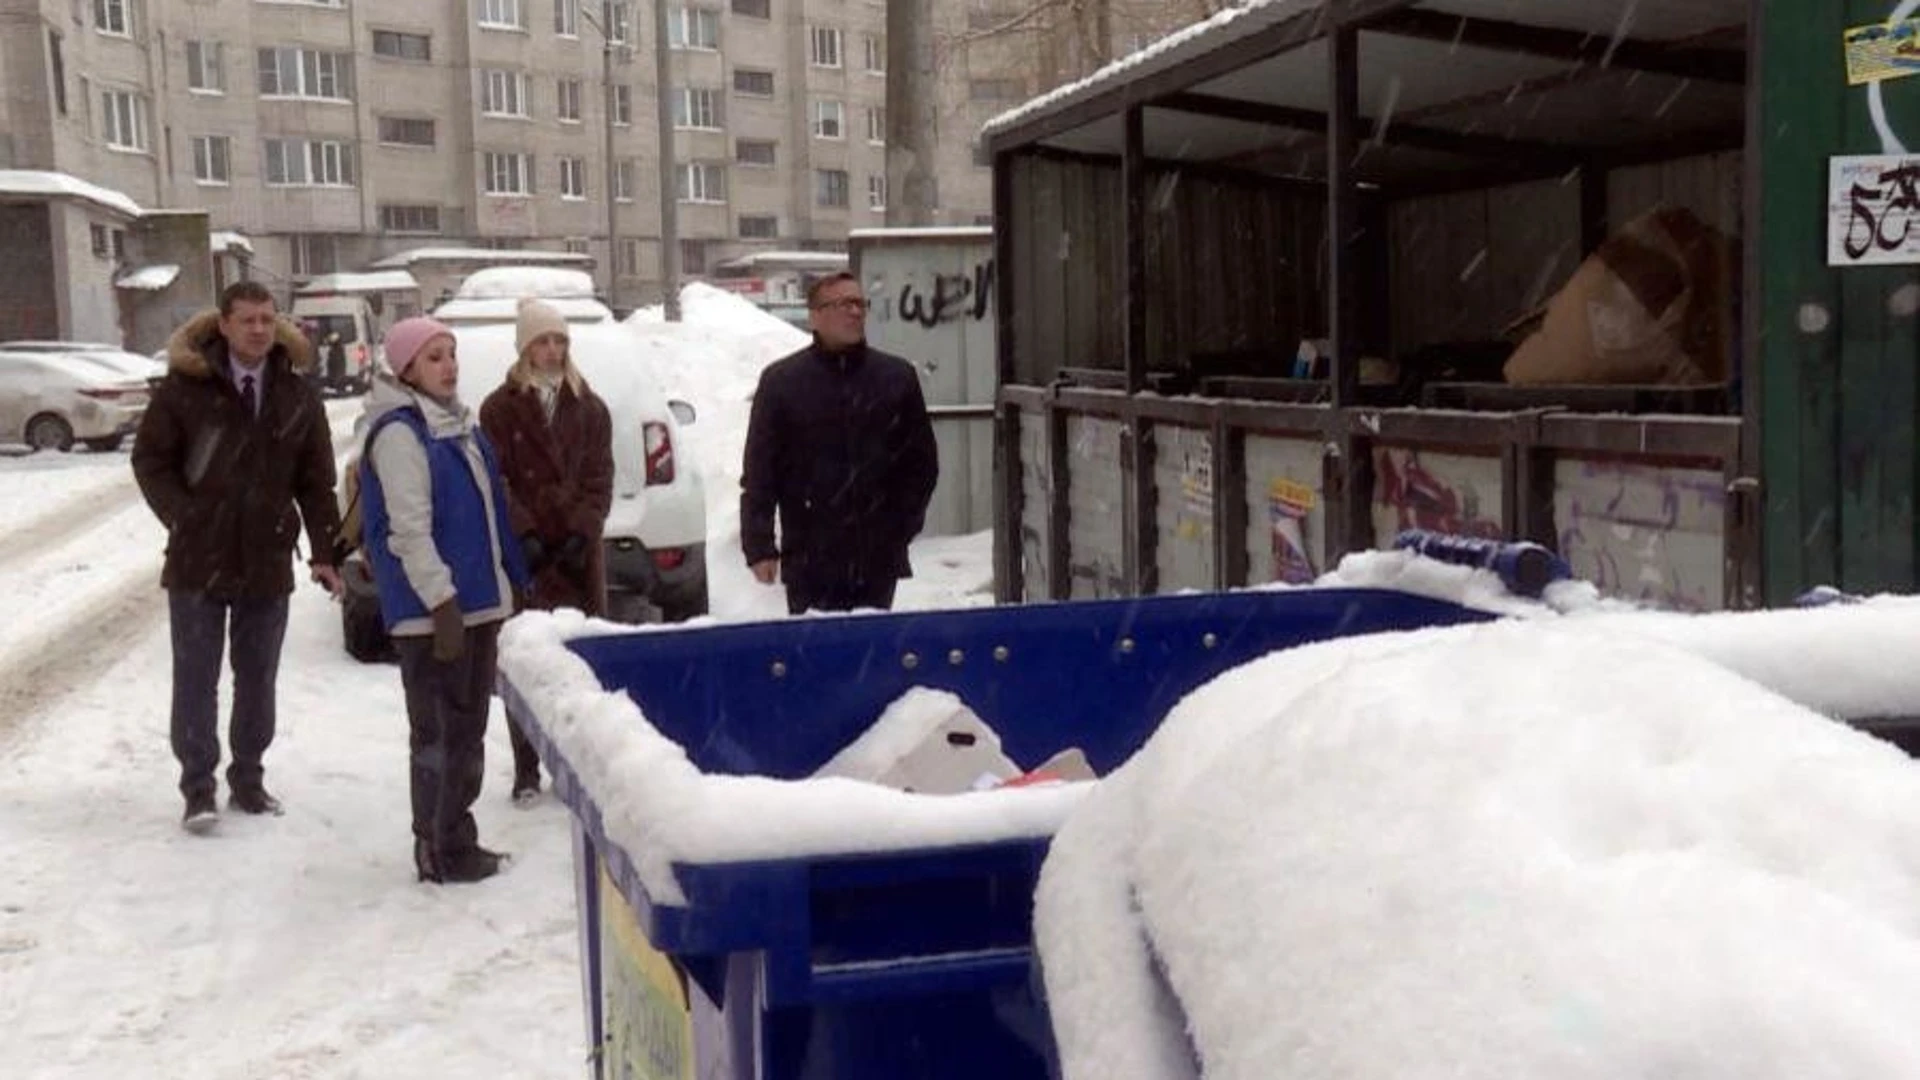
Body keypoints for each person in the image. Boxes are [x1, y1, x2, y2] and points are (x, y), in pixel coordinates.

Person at [131, 281, 345, 833]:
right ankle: (198, 786)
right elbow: (150, 461)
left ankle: (248, 778)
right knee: (197, 676)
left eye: (266, 319)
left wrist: (325, 551)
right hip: (198, 560)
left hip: (267, 557)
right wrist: (185, 516)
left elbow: (317, 481)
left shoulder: (295, 395)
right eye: (246, 319)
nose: (257, 329)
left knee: (257, 676)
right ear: (222, 324)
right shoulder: (186, 389)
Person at [357, 316, 530, 884]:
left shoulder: (459, 427)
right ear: (406, 369)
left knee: (467, 731)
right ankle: (436, 847)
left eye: (451, 354)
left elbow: (487, 513)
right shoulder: (402, 434)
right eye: (434, 357)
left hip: (476, 604)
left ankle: (457, 835)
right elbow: (408, 529)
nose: (449, 366)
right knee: (438, 734)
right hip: (436, 615)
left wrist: (510, 579)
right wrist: (442, 602)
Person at [479, 298, 614, 805]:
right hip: (527, 553)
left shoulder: (590, 405)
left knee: (580, 659)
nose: (553, 350)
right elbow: (498, 479)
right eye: (543, 341)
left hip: (579, 553)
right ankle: (526, 766)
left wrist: (583, 530)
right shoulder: (500, 407)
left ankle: (575, 762)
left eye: (560, 340)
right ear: (525, 347)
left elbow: (600, 475)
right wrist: (524, 532)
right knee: (526, 658)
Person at [741, 271, 939, 615]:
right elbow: (760, 471)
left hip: (876, 554)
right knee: (817, 655)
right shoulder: (783, 382)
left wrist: (900, 527)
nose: (855, 312)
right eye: (844, 304)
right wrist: (759, 545)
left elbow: (920, 464)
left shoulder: (895, 378)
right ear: (815, 316)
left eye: (860, 303)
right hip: (809, 555)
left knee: (872, 653)